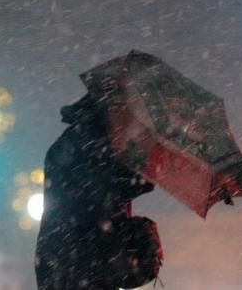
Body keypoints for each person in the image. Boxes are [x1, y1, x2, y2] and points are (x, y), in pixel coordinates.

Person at [35, 93, 163, 290]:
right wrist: (140, 166)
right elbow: (101, 192)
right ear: (111, 112)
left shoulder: (79, 141)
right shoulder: (91, 143)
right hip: (81, 259)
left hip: (69, 258)